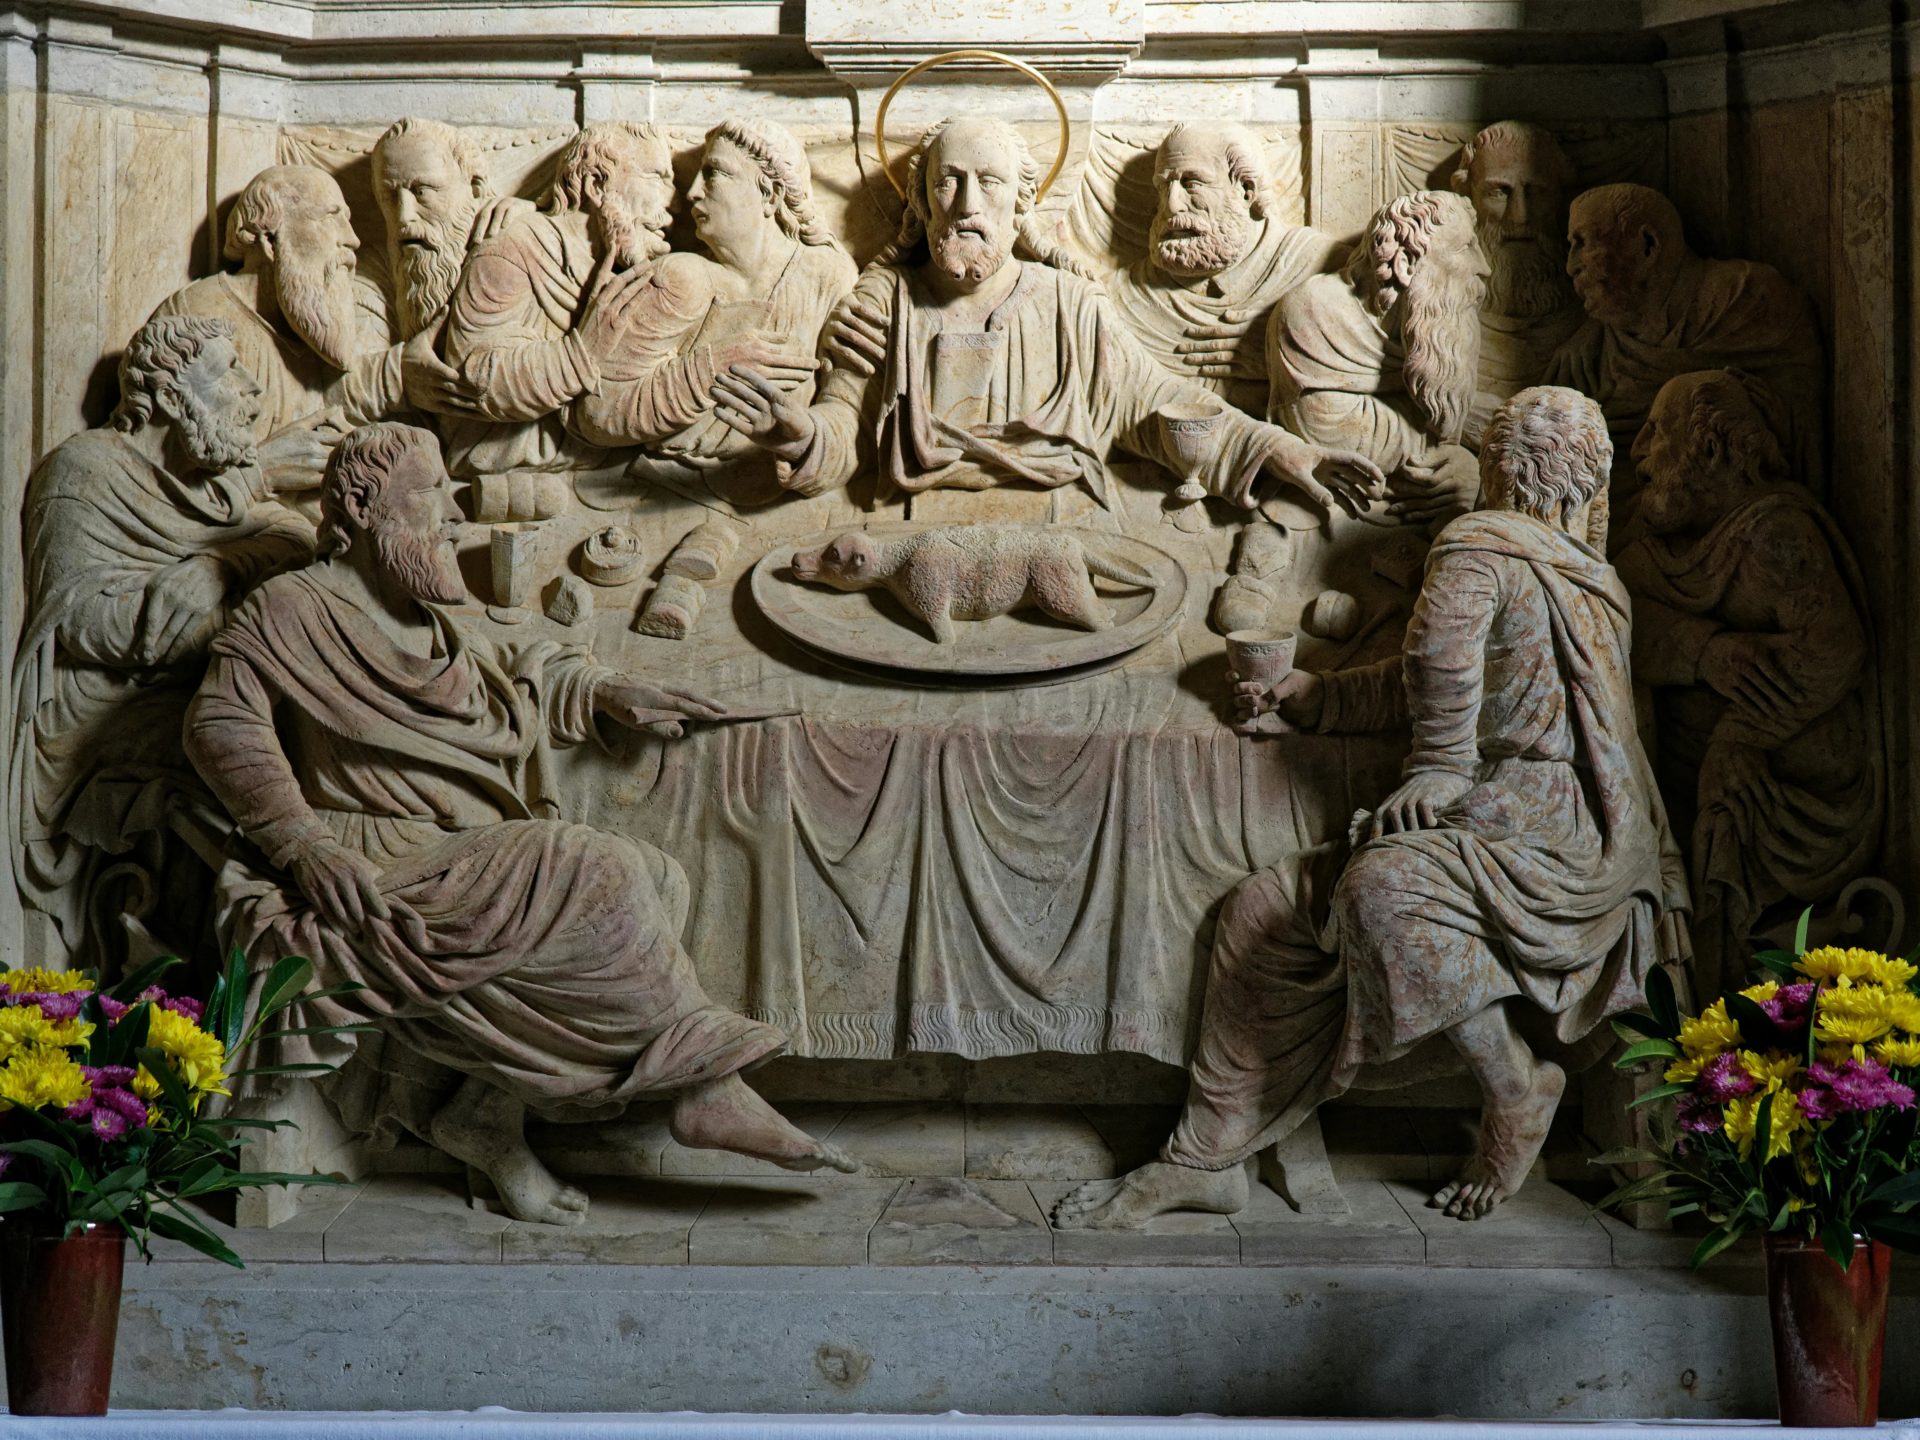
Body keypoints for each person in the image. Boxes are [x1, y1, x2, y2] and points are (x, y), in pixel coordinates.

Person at [182, 422, 856, 1225]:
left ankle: (482, 1118)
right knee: (589, 867)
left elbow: (516, 668)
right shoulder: (292, 609)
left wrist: (605, 691)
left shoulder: (424, 612)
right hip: (372, 855)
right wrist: (304, 846)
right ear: (361, 506)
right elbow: (221, 725)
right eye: (432, 492)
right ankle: (704, 1086)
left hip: (451, 847)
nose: (455, 512)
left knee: (660, 878)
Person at [1054, 386, 1687, 1230]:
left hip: (1543, 827)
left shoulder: (1477, 545)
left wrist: (1439, 767)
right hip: (1566, 821)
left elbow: (1441, 665)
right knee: (1261, 912)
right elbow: (1440, 675)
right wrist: (1318, 698)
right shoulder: (1589, 574)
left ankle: (1516, 1086)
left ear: (1499, 469)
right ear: (1584, 484)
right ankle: (1206, 1158)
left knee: (1380, 893)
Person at [709, 115, 1382, 517]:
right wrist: (799, 436)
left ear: (1020, 203)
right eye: (948, 181)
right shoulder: (884, 301)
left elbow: (1160, 402)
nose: (967, 204)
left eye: (989, 182)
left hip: (1063, 523)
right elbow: (840, 433)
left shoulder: (1069, 305)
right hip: (907, 526)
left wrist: (1284, 450)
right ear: (922, 200)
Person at [10, 316, 312, 961]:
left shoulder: (218, 477)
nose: (253, 387)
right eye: (229, 371)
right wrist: (227, 633)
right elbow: (79, 620)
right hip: (111, 708)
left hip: (211, 681)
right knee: (260, 771)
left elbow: (295, 535)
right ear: (173, 397)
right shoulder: (85, 471)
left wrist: (218, 566)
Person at [1615, 369, 1879, 997]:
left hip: (1789, 773)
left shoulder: (1772, 533)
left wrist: (1740, 736)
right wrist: (1704, 650)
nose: (1638, 451)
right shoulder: (1660, 549)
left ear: (1708, 449)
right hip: (1687, 769)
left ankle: (1735, 987)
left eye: (1658, 432)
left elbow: (1835, 649)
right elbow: (1612, 616)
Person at [568, 119, 854, 509]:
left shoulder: (826, 277)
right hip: (653, 495)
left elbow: (855, 413)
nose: (691, 192)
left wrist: (808, 438)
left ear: (769, 194)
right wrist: (709, 369)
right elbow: (598, 413)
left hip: (779, 501)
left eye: (714, 173)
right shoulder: (678, 277)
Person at [438, 121, 677, 478]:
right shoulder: (512, 253)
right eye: (657, 178)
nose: (673, 204)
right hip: (514, 475)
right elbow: (475, 380)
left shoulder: (623, 265)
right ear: (596, 184)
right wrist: (581, 353)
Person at [1548, 183, 1825, 489]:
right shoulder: (1590, 352)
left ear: (1648, 245)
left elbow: (1801, 428)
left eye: (1582, 243)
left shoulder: (1751, 300)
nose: (1571, 266)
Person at [1265, 191, 1491, 531]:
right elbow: (1332, 432)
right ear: (1406, 264)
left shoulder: (1445, 317)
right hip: (1342, 509)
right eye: (1465, 249)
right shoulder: (1315, 311)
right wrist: (1459, 459)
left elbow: (1450, 405)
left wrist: (1474, 462)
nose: (1484, 268)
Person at [1104, 123, 1342, 417]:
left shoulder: (1322, 268)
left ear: (1246, 191)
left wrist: (1288, 353)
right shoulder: (1123, 296)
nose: (1172, 205)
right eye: (1164, 187)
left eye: (1192, 183)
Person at [1448, 122, 1586, 442]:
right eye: (1498, 193)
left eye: (1537, 192)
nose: (1520, 216)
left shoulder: (1597, 330)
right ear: (1467, 197)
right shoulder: (1440, 322)